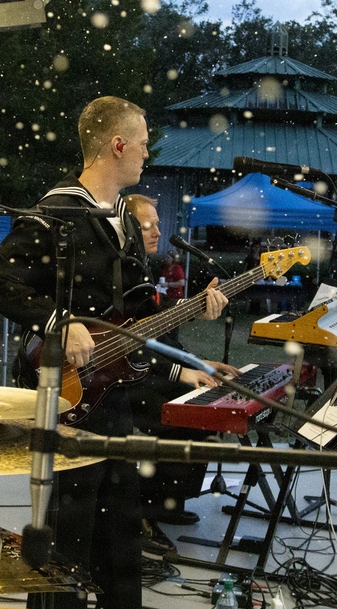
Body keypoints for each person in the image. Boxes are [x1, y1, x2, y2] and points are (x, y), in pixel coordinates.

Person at [0, 97, 227, 609]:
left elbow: (136, 319)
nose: (145, 152)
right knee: (66, 537)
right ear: (117, 144)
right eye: (141, 142)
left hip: (118, 401)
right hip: (67, 399)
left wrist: (193, 313)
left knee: (120, 537)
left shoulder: (125, 222)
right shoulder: (57, 212)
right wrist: (56, 323)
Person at [123, 194, 239, 554]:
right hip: (129, 377)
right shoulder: (124, 270)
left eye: (158, 223)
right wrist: (183, 373)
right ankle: (138, 512)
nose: (159, 230)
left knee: (201, 408)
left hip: (151, 367)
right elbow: (130, 343)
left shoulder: (143, 265)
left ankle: (166, 501)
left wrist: (201, 364)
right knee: (185, 409)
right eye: (149, 224)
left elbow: (165, 336)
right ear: (127, 227)